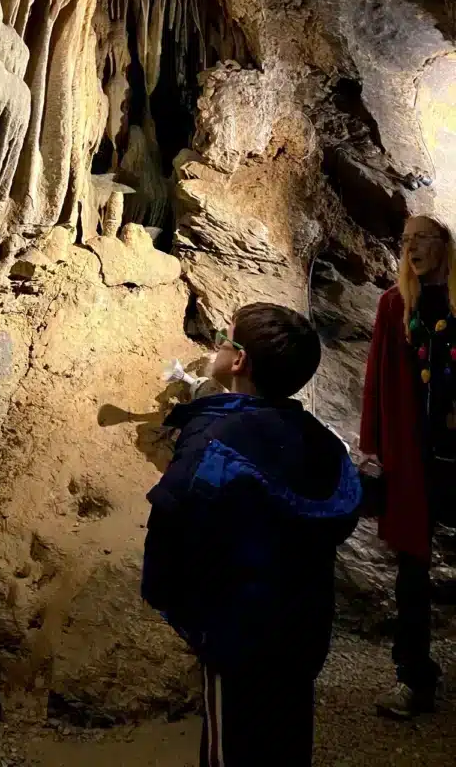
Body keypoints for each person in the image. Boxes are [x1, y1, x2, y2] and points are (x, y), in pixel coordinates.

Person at [142, 303, 362, 767]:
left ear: (239, 361)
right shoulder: (319, 440)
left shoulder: (215, 441)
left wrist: (195, 621)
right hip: (301, 632)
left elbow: (169, 534)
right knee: (286, 742)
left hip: (237, 636)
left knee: (232, 750)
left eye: (224, 339)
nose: (217, 347)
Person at [360, 215, 456, 719]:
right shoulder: (395, 304)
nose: (412, 247)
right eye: (406, 240)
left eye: (422, 238)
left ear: (444, 245)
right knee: (411, 571)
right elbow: (377, 376)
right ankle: (413, 679)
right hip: (415, 459)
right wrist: (372, 446)